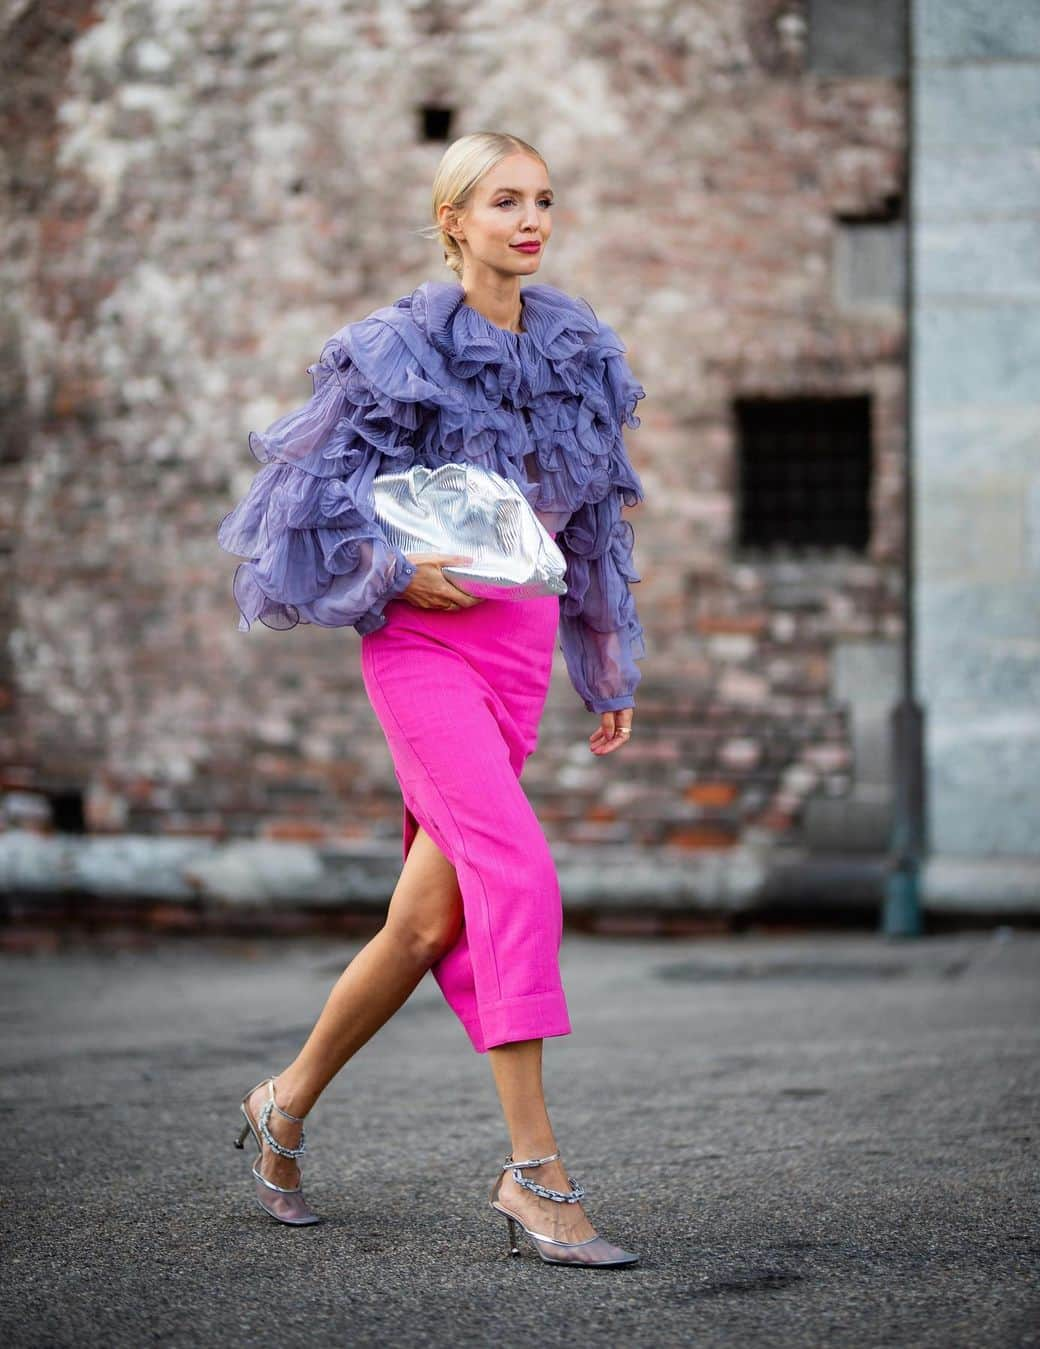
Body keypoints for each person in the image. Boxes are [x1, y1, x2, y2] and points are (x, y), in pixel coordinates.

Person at [217, 131, 647, 1267]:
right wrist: (395, 571)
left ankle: (284, 1101)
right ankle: (535, 1174)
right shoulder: (396, 347)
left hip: (520, 648)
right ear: (453, 217)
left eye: (544, 200)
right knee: (516, 871)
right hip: (421, 642)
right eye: (505, 200)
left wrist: (605, 662)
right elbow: (302, 504)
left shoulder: (578, 347)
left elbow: (595, 517)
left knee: (424, 921)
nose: (531, 219)